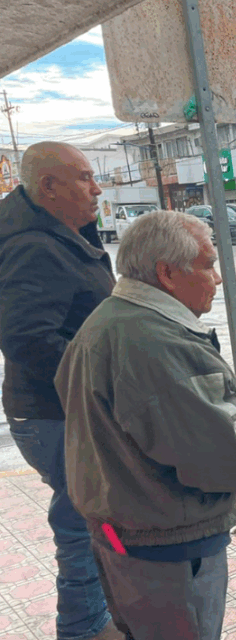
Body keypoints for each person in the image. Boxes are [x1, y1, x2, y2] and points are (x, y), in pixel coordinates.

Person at [54, 209, 236, 640]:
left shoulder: (109, 319)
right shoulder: (156, 343)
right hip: (167, 545)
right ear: (167, 273)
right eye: (208, 265)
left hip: (124, 533)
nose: (218, 277)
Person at [0, 142, 123, 639]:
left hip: (64, 409)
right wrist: (99, 384)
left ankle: (97, 617)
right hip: (57, 414)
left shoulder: (62, 232)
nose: (97, 188)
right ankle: (82, 629)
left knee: (90, 517)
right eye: (84, 178)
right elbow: (27, 338)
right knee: (80, 522)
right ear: (49, 187)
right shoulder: (33, 245)